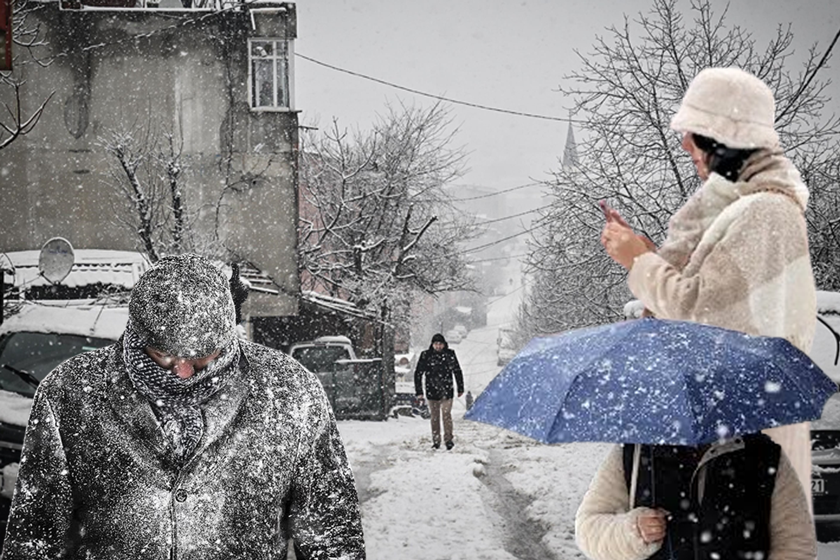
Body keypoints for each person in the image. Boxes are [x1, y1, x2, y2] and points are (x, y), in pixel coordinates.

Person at [1, 254, 365, 559]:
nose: (184, 373)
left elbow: (331, 533)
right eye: (164, 355)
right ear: (137, 336)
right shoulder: (70, 394)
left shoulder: (290, 392)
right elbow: (35, 536)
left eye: (204, 357)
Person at [599, 67, 817, 501]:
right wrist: (644, 252)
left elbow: (704, 317)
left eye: (694, 133)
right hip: (730, 438)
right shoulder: (745, 211)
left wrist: (640, 262)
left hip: (750, 446)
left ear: (724, 137)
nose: (684, 145)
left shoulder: (766, 214)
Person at [575, 434, 817, 560]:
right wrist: (633, 531)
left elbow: (795, 544)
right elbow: (588, 530)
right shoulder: (635, 452)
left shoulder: (763, 456)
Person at [414, 333, 464, 450]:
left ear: (444, 344)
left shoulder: (449, 354)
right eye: (436, 344)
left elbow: (457, 371)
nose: (438, 346)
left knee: (446, 415)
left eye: (440, 344)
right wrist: (419, 392)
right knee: (434, 417)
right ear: (432, 344)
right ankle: (436, 440)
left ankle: (448, 439)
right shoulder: (426, 355)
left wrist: (460, 388)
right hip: (432, 391)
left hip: (447, 390)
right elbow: (418, 373)